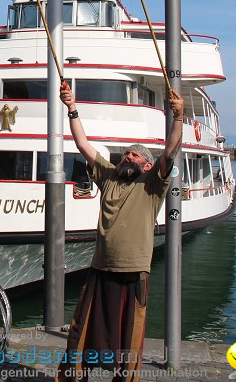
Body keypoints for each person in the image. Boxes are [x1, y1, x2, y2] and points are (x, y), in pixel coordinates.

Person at [57, 81, 184, 381]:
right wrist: (72, 107)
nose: (128, 156)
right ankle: (73, 377)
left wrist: (178, 117)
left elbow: (171, 150)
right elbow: (83, 145)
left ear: (148, 166)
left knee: (130, 337)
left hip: (135, 272)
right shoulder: (109, 177)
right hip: (101, 268)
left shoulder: (153, 185)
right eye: (126, 153)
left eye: (136, 155)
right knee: (81, 331)